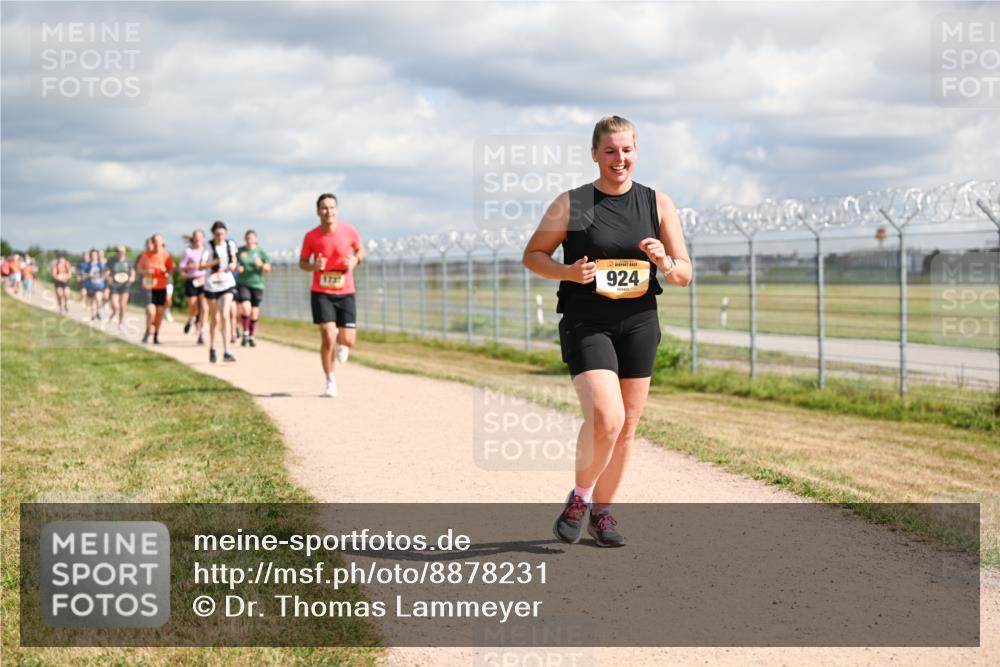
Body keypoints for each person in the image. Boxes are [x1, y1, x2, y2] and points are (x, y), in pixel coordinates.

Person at [522, 116, 692, 548]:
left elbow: (684, 273)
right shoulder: (572, 203)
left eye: (627, 150)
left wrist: (664, 263)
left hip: (639, 322)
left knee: (628, 426)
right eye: (611, 151)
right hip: (586, 321)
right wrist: (568, 272)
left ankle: (603, 512)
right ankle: (579, 498)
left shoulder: (657, 203)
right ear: (595, 153)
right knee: (606, 417)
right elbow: (533, 256)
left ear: (636, 152)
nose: (620, 159)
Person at [299, 193, 365, 397]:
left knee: (349, 340)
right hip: (322, 292)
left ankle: (342, 343)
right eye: (324, 208)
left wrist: (355, 261)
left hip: (346, 291)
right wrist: (314, 266)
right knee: (328, 336)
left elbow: (361, 250)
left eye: (332, 207)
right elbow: (302, 263)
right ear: (318, 211)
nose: (329, 211)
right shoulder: (311, 236)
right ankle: (330, 380)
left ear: (337, 210)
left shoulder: (349, 230)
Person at [199, 221, 239, 363]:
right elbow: (201, 266)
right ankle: (212, 348)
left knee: (225, 315)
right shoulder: (207, 247)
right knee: (215, 318)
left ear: (226, 233)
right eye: (217, 234)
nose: (220, 237)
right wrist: (214, 262)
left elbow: (234, 259)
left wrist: (233, 265)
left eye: (222, 234)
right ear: (213, 234)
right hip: (212, 284)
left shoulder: (230, 245)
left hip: (227, 283)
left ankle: (227, 351)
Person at [137, 234, 175, 344]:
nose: (157, 243)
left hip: (161, 286)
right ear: (152, 243)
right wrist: (146, 272)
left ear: (162, 242)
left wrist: (166, 272)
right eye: (155, 241)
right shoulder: (146, 255)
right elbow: (139, 269)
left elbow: (171, 271)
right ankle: (148, 330)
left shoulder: (166, 255)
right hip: (148, 286)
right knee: (151, 311)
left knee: (159, 312)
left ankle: (156, 335)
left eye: (159, 241)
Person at [236, 229, 272, 348]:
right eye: (247, 238)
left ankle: (252, 335)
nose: (249, 240)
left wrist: (261, 264)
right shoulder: (240, 251)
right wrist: (237, 268)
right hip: (243, 282)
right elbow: (233, 263)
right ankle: (245, 331)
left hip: (257, 283)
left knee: (254, 309)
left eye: (251, 238)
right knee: (246, 307)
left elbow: (268, 268)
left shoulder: (260, 251)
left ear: (256, 239)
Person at [179, 230, 208, 345]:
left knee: (204, 307)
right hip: (192, 280)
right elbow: (181, 267)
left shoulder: (207, 252)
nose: (198, 239)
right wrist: (189, 266)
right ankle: (191, 319)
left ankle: (201, 333)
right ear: (193, 238)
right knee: (193, 305)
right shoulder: (188, 251)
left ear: (203, 239)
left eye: (200, 237)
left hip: (204, 280)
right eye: (196, 237)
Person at [105, 245, 135, 331]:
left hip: (125, 285)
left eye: (123, 252)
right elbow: (106, 271)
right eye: (119, 251)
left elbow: (132, 271)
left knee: (122, 305)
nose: (121, 253)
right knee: (115, 304)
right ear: (116, 252)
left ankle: (120, 323)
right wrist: (108, 277)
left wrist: (132, 277)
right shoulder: (111, 260)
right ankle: (114, 312)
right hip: (114, 284)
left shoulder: (128, 260)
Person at [84, 249, 106, 320]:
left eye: (95, 255)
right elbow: (83, 275)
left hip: (99, 285)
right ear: (91, 256)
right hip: (90, 285)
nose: (94, 256)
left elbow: (105, 273)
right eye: (92, 255)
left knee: (98, 299)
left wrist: (101, 279)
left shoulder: (101, 264)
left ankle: (98, 312)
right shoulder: (88, 264)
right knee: (91, 301)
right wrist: (88, 274)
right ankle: (93, 315)